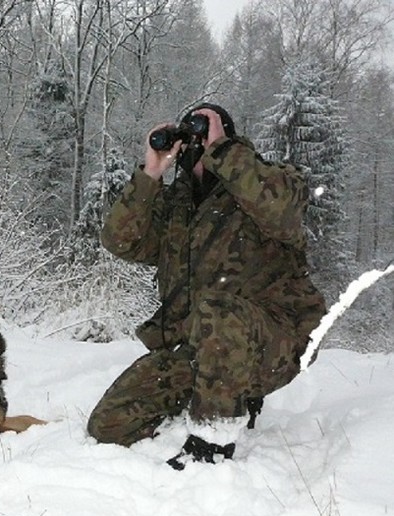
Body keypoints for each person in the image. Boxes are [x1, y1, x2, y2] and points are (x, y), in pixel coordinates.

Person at [86, 102, 327, 467]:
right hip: (202, 351)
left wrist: (224, 150)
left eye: (203, 135)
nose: (197, 148)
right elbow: (119, 240)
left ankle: (212, 444)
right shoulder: (177, 209)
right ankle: (214, 398)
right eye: (191, 140)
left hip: (273, 343)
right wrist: (151, 173)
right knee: (110, 424)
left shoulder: (267, 184)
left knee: (216, 309)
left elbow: (281, 209)